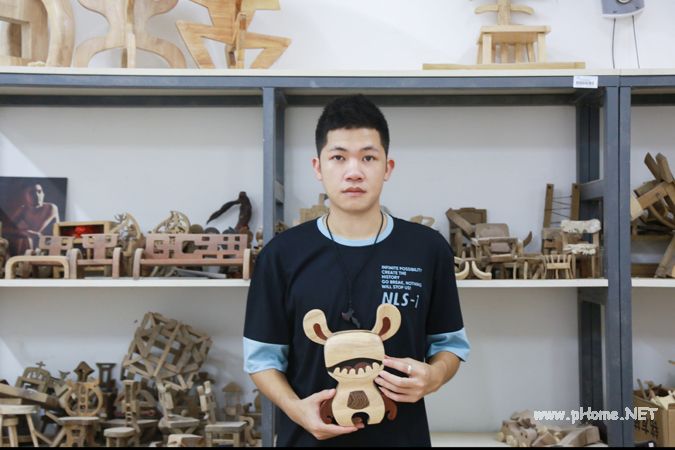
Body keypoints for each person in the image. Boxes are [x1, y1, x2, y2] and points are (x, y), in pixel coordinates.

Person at [243, 94, 470, 446]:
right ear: (318, 167)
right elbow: (262, 358)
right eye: (338, 157)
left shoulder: (427, 249)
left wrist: (436, 375)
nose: (353, 172)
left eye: (368, 157)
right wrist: (295, 409)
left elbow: (449, 344)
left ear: (387, 167)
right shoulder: (281, 255)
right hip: (307, 440)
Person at [6, 183, 60, 255]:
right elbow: (7, 228)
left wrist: (22, 232)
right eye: (32, 193)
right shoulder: (23, 209)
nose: (37, 196)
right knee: (21, 238)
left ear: (43, 194)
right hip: (36, 247)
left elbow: (36, 232)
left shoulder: (51, 207)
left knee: (27, 238)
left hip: (52, 247)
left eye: (39, 191)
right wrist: (22, 232)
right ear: (25, 196)